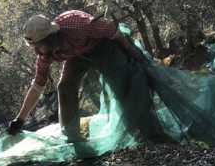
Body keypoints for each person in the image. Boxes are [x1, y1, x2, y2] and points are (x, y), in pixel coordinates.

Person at [7, 10, 144, 142]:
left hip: (102, 45)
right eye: (34, 48)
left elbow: (111, 29)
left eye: (38, 47)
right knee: (64, 87)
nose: (37, 52)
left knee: (119, 80)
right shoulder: (45, 55)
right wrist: (20, 120)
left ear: (50, 39)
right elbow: (37, 86)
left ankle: (137, 124)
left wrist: (128, 48)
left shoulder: (79, 26)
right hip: (77, 55)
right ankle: (71, 137)